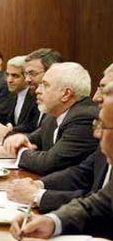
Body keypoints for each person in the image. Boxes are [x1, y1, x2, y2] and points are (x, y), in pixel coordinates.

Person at [9, 80, 113, 240]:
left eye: (102, 125)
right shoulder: (52, 117)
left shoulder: (81, 115)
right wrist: (52, 221)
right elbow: (99, 203)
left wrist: (38, 196)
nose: (96, 134)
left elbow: (50, 163)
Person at [3, 62, 98, 175]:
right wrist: (20, 138)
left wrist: (21, 151)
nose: (38, 90)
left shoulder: (84, 118)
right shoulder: (53, 115)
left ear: (66, 94)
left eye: (45, 85)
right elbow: (33, 139)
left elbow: (48, 163)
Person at [0, 55, 39, 141]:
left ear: (27, 76)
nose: (9, 80)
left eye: (15, 76)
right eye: (8, 75)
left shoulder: (36, 97)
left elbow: (32, 128)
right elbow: (7, 121)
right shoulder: (12, 94)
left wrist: (9, 130)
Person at [24, 48, 63, 127]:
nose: (27, 80)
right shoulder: (34, 94)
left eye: (33, 73)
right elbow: (30, 128)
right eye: (26, 74)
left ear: (51, 72)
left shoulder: (59, 104)